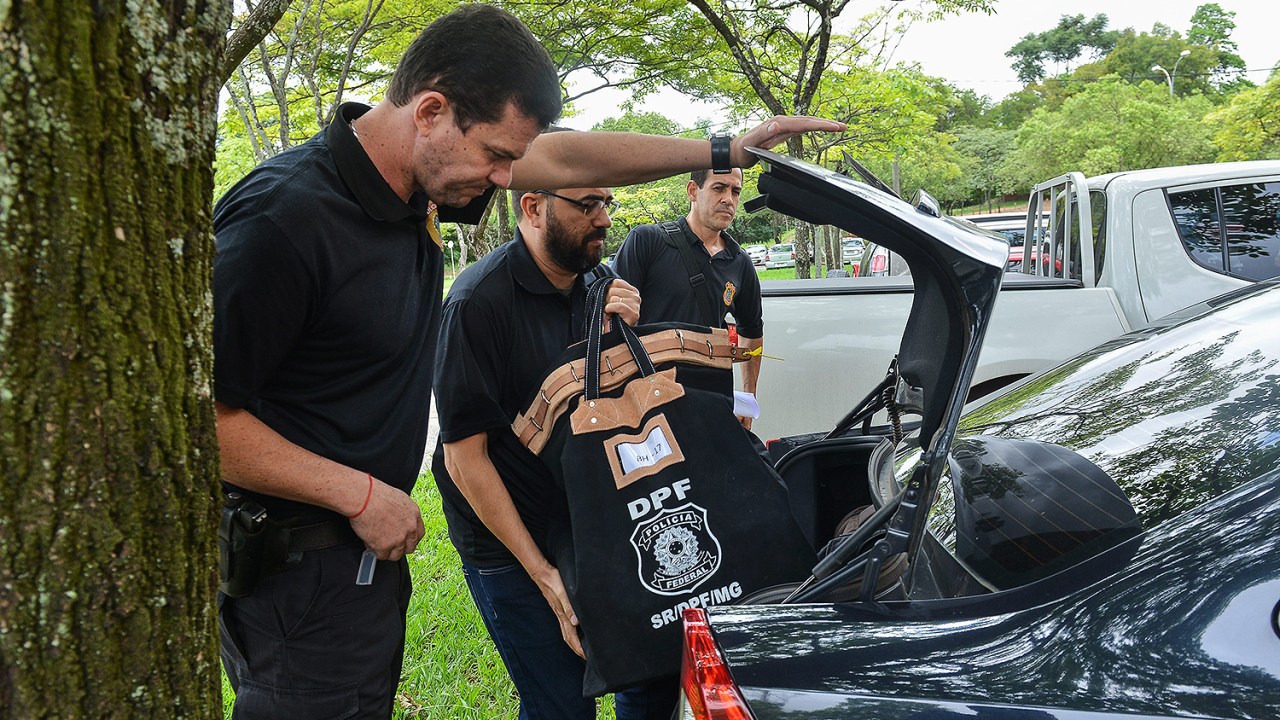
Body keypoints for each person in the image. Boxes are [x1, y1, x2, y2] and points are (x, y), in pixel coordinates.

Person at [212, 4, 844, 717]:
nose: (509, 180)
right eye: (497, 158)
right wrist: (356, 495)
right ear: (430, 112)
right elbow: (194, 420)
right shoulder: (284, 221)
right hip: (298, 568)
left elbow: (571, 159)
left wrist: (727, 148)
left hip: (365, 558)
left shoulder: (409, 182)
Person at [431, 184, 675, 718]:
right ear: (534, 207)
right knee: (563, 702)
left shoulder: (599, 281)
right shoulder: (478, 301)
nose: (604, 219)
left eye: (606, 203)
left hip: (590, 520)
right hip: (510, 540)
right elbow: (462, 458)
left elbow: (617, 404)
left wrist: (623, 330)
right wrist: (545, 577)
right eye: (587, 205)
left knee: (650, 672)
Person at [615, 167, 764, 429]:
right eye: (719, 188)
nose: (729, 199)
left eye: (735, 191)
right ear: (693, 191)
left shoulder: (740, 263)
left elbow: (751, 332)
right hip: (648, 405)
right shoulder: (647, 241)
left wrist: (749, 397)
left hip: (710, 403)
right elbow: (611, 323)